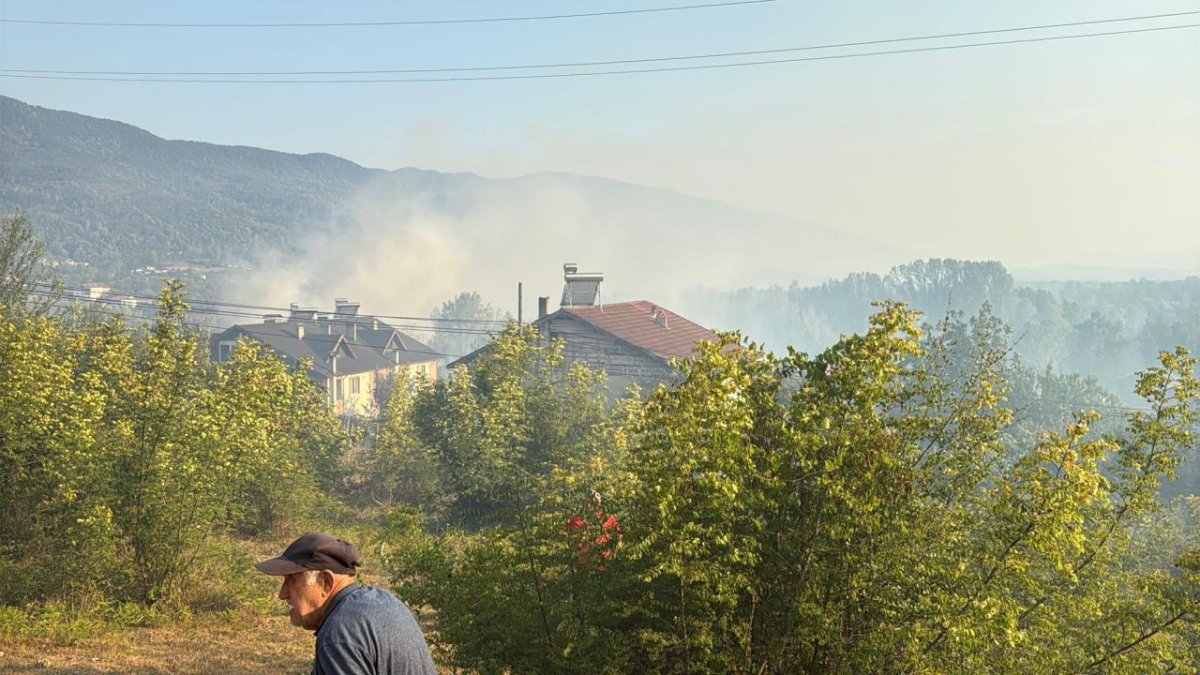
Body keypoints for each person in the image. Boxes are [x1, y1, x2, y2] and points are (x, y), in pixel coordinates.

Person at [255, 532, 436, 675]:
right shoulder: (382, 601)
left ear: (326, 582)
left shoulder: (339, 635)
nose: (282, 594)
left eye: (292, 580)